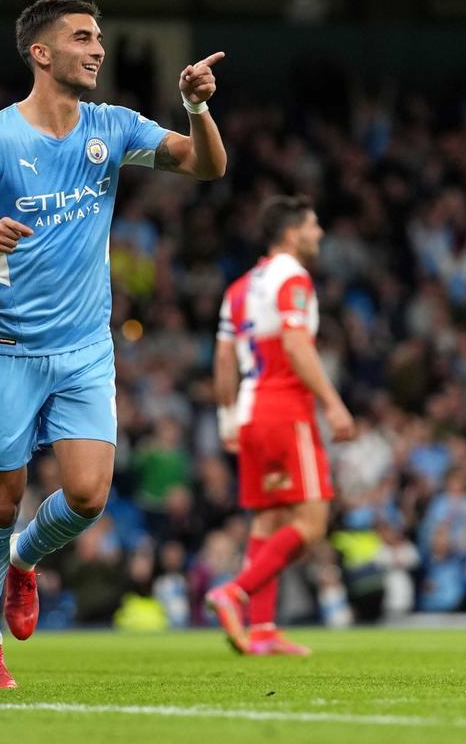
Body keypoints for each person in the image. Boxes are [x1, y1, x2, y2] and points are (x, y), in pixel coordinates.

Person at [0, 0, 227, 688]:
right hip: (8, 349)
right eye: (83, 38)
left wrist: (197, 109)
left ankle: (25, 561)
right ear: (42, 53)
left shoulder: (112, 126)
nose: (99, 49)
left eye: (101, 38)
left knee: (87, 498)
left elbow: (206, 167)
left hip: (85, 347)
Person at [206, 195, 355, 654]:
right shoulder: (293, 276)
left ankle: (263, 630)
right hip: (285, 409)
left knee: (269, 520)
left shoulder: (239, 288)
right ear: (291, 234)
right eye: (313, 226)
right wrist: (332, 403)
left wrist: (227, 417)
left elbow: (224, 356)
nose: (319, 234)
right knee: (312, 524)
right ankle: (235, 591)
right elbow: (295, 343)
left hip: (250, 412)